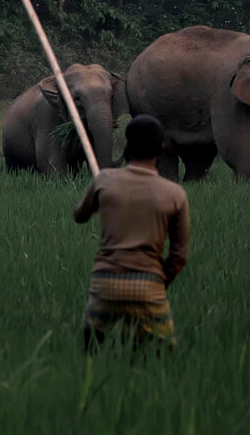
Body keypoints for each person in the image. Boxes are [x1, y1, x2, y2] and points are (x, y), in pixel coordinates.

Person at [73, 114, 190, 351]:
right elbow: (179, 255)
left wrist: (100, 198)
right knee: (164, 353)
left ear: (126, 146)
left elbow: (80, 215)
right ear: (161, 149)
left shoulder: (104, 180)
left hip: (105, 284)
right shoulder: (175, 194)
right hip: (148, 286)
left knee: (93, 349)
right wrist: (158, 281)